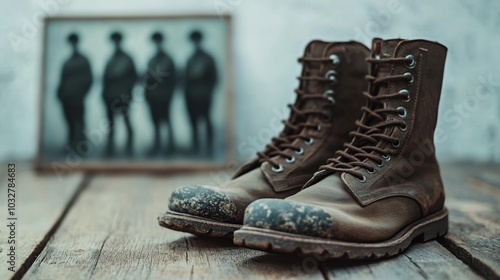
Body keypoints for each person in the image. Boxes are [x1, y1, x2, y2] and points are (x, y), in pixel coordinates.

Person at [102, 32, 137, 156]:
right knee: (110, 125)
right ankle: (110, 149)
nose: (115, 43)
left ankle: (129, 149)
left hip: (122, 97)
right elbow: (105, 79)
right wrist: (104, 94)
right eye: (113, 40)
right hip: (110, 97)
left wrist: (127, 94)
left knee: (127, 122)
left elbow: (133, 78)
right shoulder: (110, 60)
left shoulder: (127, 59)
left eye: (117, 40)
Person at [57, 33, 92, 153]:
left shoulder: (83, 60)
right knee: (69, 122)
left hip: (77, 98)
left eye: (74, 41)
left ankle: (81, 147)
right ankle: (70, 146)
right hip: (67, 98)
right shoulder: (67, 62)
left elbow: (89, 79)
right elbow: (62, 80)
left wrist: (82, 94)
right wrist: (60, 94)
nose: (73, 44)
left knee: (79, 122)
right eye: (71, 42)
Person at [184, 30, 217, 157]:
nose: (195, 42)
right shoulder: (190, 59)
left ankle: (209, 148)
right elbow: (186, 79)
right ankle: (196, 148)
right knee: (193, 123)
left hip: (204, 96)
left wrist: (207, 92)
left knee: (207, 120)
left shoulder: (208, 59)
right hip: (191, 96)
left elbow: (214, 78)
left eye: (197, 39)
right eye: (193, 40)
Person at [144, 32, 176, 155]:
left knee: (167, 121)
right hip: (153, 97)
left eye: (159, 41)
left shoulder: (168, 60)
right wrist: (147, 95)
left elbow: (173, 79)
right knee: (155, 122)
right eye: (155, 41)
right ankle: (157, 145)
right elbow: (147, 79)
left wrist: (169, 94)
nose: (157, 44)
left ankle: (170, 147)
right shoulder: (152, 60)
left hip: (164, 96)